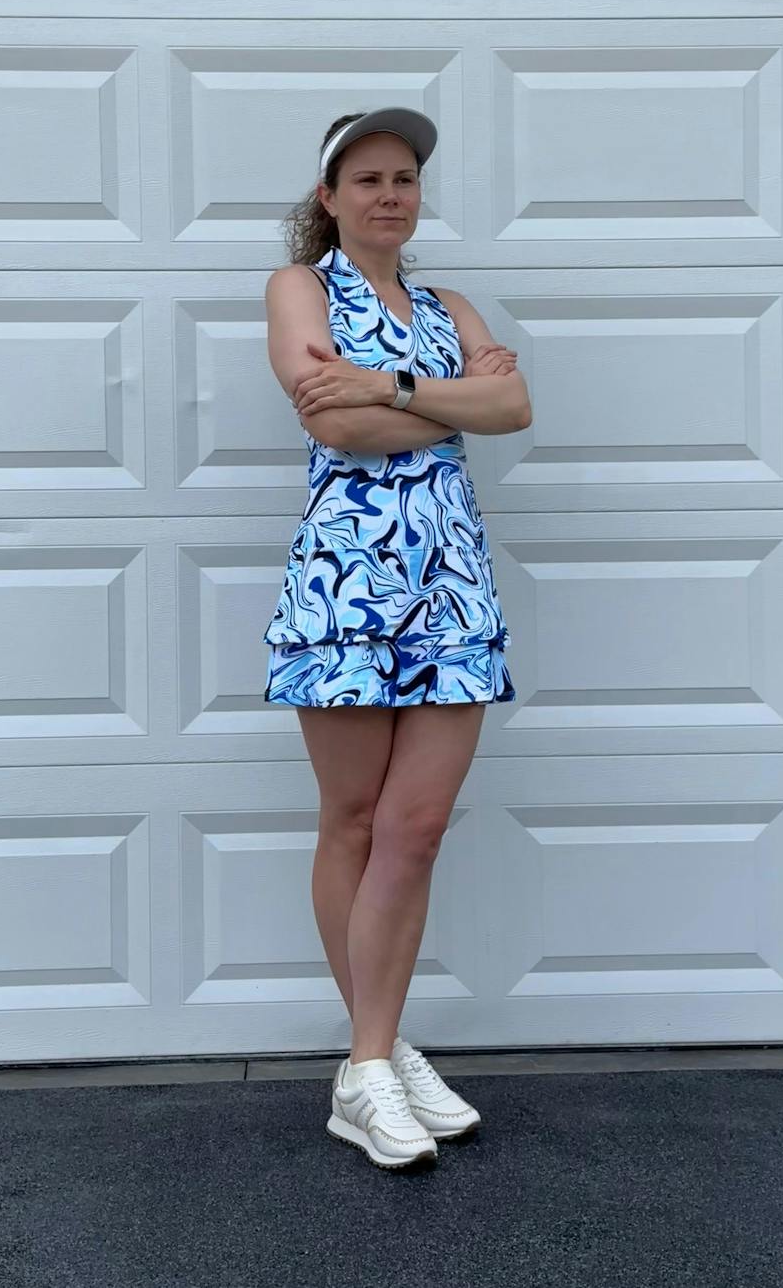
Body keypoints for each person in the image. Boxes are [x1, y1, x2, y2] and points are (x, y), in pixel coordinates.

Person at [263, 107, 532, 1170]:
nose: (389, 194)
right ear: (328, 197)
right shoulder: (299, 290)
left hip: (452, 591)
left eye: (404, 178)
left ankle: (373, 1057)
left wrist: (388, 384)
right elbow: (330, 424)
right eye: (367, 178)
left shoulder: (449, 306)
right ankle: (374, 1062)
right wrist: (453, 403)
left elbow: (513, 407)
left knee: (414, 829)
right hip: (346, 591)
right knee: (352, 820)